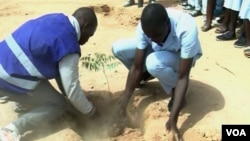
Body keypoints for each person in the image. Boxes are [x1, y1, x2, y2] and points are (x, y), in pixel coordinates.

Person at [0, 7, 98, 141]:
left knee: (35, 77)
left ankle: (23, 107)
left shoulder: (55, 18)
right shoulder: (69, 45)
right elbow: (72, 90)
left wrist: (67, 94)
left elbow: (61, 75)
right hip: (8, 77)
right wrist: (92, 112)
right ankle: (10, 130)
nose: (88, 40)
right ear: (85, 26)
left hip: (4, 60)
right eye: (90, 34)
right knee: (58, 105)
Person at [112, 3, 202, 140]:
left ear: (167, 23)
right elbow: (136, 67)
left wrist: (173, 119)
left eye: (157, 35)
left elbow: (183, 77)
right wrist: (122, 106)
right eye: (150, 36)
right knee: (118, 48)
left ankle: (177, 94)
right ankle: (146, 76)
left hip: (181, 56)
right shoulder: (146, 28)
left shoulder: (186, 28)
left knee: (153, 63)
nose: (153, 39)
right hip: (159, 52)